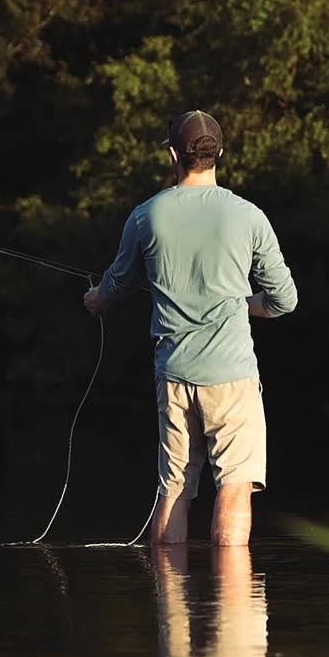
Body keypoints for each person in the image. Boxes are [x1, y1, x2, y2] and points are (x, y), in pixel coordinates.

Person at [83, 110, 297, 545]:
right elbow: (284, 300)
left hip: (174, 376)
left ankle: (172, 608)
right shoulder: (249, 216)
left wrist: (96, 301)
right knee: (235, 487)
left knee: (174, 491)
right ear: (219, 154)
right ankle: (231, 606)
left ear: (172, 156)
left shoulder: (146, 216)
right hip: (233, 377)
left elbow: (116, 286)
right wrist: (245, 305)